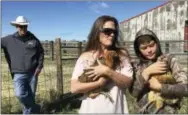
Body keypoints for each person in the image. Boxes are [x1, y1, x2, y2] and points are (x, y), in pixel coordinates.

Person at [71, 15, 133, 113]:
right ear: (97, 32)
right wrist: (99, 83)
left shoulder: (121, 55)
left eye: (114, 32)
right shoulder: (85, 57)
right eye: (107, 31)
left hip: (116, 110)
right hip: (90, 110)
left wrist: (107, 71)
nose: (112, 35)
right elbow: (74, 88)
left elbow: (128, 83)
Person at [129, 28, 188, 114]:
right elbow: (134, 93)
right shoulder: (137, 67)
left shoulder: (169, 60)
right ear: (138, 50)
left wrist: (160, 87)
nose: (149, 50)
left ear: (157, 43)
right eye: (144, 48)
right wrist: (146, 72)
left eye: (152, 45)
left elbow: (186, 88)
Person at [1, 16, 44, 114]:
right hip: (18, 73)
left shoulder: (33, 39)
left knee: (30, 96)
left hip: (33, 73)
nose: (23, 28)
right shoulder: (9, 39)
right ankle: (36, 108)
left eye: (25, 26)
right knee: (20, 95)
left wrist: (39, 66)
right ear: (16, 26)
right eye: (20, 26)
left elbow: (41, 52)